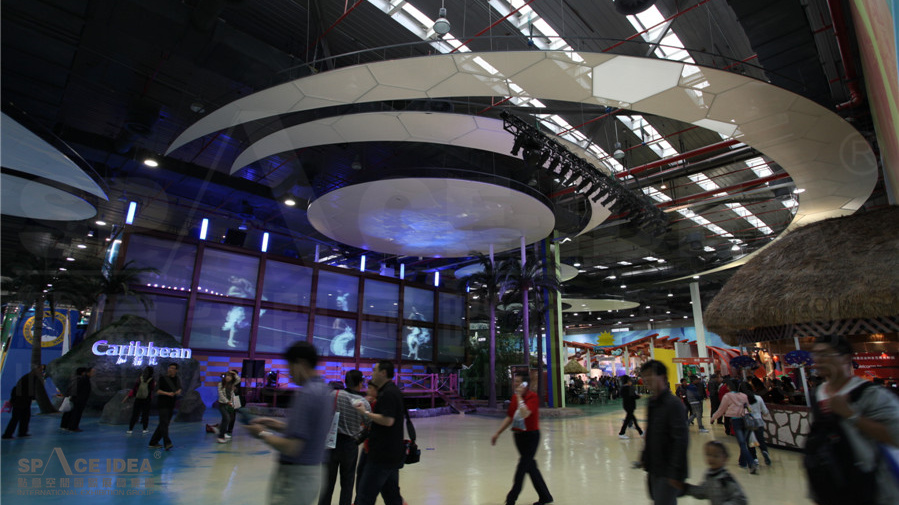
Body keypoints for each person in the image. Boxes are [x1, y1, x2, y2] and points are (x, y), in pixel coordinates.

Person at [805, 334, 899, 505]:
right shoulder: (816, 394)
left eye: (825, 354)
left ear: (846, 358)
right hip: (829, 486)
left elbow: (896, 436)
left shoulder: (870, 394)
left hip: (870, 488)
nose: (818, 360)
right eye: (815, 354)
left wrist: (851, 415)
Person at [247, 341, 333, 505]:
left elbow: (292, 447)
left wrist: (261, 433)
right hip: (312, 473)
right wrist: (274, 424)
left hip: (297, 478)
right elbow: (309, 430)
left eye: (289, 367)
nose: (289, 373)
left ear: (300, 364)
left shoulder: (307, 394)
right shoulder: (323, 390)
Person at [491, 372, 553, 505]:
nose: (515, 384)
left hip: (531, 436)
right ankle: (545, 496)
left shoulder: (532, 397)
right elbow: (510, 417)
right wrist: (498, 433)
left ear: (525, 384)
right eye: (515, 381)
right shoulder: (514, 398)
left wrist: (519, 397)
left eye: (518, 382)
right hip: (518, 436)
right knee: (530, 466)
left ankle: (511, 499)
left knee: (522, 467)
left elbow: (525, 413)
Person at [353, 360, 407, 505]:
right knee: (391, 496)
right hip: (390, 454)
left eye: (375, 370)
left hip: (381, 455)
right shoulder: (391, 391)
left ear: (383, 373)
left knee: (365, 496)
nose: (372, 373)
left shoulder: (388, 393)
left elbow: (388, 420)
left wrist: (365, 413)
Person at [639, 360, 688, 505]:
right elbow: (651, 433)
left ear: (663, 377)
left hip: (668, 471)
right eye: (644, 376)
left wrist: (675, 472)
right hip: (654, 467)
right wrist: (645, 456)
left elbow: (681, 440)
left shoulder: (674, 404)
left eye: (650, 375)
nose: (646, 379)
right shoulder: (652, 403)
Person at [319, 370, 371, 505]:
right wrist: (358, 440)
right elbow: (369, 426)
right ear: (360, 383)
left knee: (327, 483)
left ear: (346, 381)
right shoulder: (364, 403)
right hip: (350, 445)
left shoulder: (334, 395)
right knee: (347, 484)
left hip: (331, 443)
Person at [683, 441, 748, 505]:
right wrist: (686, 488)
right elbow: (703, 491)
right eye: (708, 454)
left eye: (716, 456)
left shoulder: (726, 479)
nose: (711, 458)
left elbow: (741, 499)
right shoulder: (710, 475)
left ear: (725, 459)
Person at [711, 380, 754, 473]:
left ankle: (751, 462)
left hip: (736, 420)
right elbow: (748, 408)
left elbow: (721, 410)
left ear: (729, 387)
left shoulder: (727, 396)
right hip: (746, 420)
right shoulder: (743, 395)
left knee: (742, 443)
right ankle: (742, 462)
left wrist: (713, 418)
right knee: (744, 442)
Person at [2, 365, 45, 439]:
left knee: (24, 417)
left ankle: (21, 432)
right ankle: (8, 434)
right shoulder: (31, 378)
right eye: (41, 370)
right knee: (17, 418)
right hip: (21, 400)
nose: (42, 372)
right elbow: (31, 390)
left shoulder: (29, 376)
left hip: (23, 400)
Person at [149, 363, 182, 451]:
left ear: (176, 370)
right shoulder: (162, 378)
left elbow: (179, 388)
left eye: (173, 368)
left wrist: (177, 392)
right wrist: (167, 393)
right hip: (162, 403)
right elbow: (157, 390)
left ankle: (153, 442)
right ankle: (167, 442)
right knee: (164, 423)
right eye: (169, 367)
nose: (170, 369)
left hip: (171, 404)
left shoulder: (177, 379)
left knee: (164, 423)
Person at [739, 382, 771, 466]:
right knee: (761, 440)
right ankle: (764, 451)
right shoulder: (758, 398)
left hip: (748, 423)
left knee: (751, 441)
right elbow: (765, 411)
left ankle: (754, 458)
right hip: (759, 421)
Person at [123, 366, 155, 434]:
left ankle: (130, 429)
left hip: (138, 398)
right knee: (145, 414)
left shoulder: (140, 378)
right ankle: (145, 429)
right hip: (147, 399)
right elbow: (152, 389)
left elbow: (135, 388)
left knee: (135, 414)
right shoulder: (151, 379)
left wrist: (129, 396)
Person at [64, 367, 94, 432]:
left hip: (77, 399)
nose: (93, 373)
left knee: (73, 413)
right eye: (92, 372)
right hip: (79, 399)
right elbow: (80, 389)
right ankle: (73, 427)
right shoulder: (83, 379)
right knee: (76, 413)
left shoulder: (76, 379)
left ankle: (68, 425)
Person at [618, 374, 643, 439]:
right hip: (630, 406)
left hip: (626, 406)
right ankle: (622, 433)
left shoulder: (622, 388)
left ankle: (640, 432)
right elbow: (633, 396)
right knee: (630, 420)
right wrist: (639, 396)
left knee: (630, 419)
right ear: (628, 381)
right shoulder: (629, 388)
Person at [216, 371, 238, 443]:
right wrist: (227, 401)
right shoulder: (220, 384)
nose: (228, 377)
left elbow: (238, 379)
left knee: (228, 419)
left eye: (230, 376)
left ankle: (223, 432)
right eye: (227, 376)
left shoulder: (232, 384)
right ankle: (220, 437)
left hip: (230, 404)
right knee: (226, 418)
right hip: (222, 404)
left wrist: (234, 373)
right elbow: (221, 395)